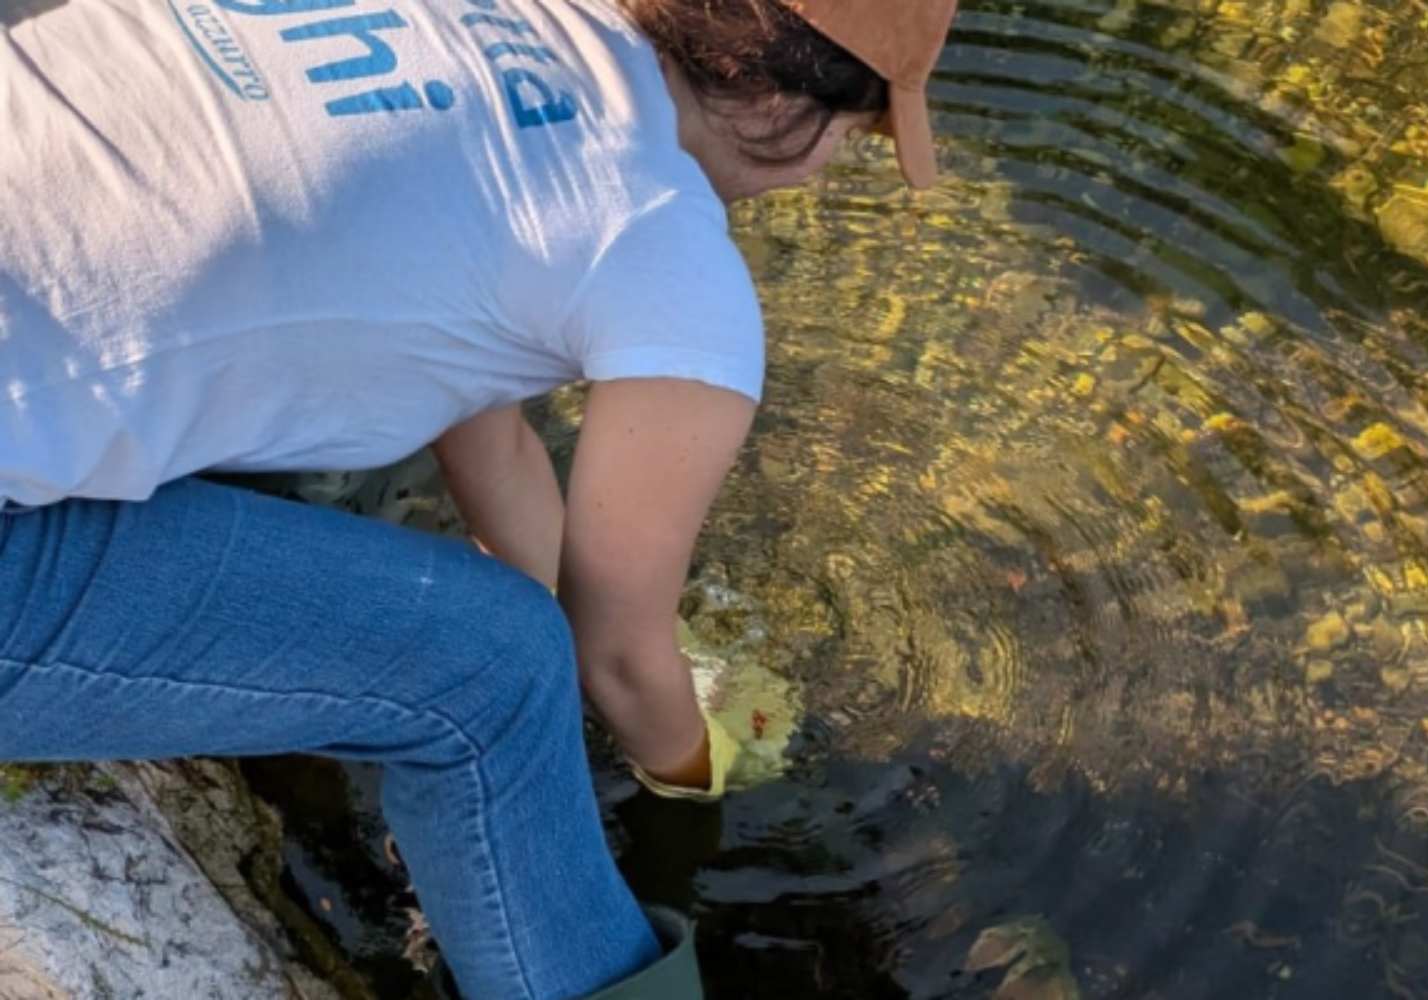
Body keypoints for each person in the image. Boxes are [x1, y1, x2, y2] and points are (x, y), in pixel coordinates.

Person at [0, 0, 957, 996]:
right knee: (491, 676)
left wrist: (577, 614)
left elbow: (482, 425)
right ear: (776, 98)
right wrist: (700, 771)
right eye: (851, 136)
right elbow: (625, 663)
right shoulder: (663, 241)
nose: (823, 171)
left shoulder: (487, 26)